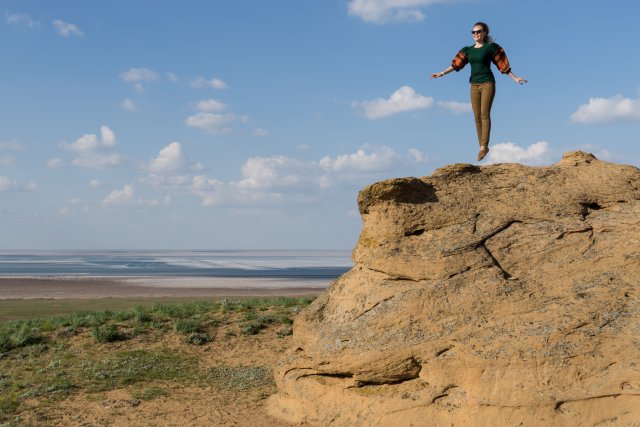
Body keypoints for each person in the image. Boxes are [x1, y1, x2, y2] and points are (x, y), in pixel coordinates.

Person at [431, 22, 527, 161]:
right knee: (476, 117)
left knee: (484, 114)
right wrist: (441, 73)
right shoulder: (467, 50)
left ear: (485, 33)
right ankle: (482, 146)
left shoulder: (491, 48)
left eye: (478, 31)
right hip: (474, 85)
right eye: (473, 32)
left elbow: (503, 64)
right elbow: (456, 65)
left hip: (487, 83)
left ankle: (483, 147)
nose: (475, 34)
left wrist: (515, 78)